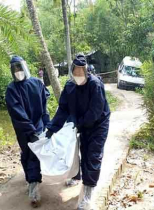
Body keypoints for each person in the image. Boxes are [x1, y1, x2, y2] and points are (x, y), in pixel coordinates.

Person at [45, 54, 110, 210]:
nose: (79, 76)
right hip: (82, 124)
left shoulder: (95, 85)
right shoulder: (69, 87)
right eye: (76, 73)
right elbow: (63, 110)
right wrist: (52, 128)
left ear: (86, 71)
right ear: (72, 72)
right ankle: (78, 177)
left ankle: (88, 194)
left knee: (93, 155)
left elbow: (95, 111)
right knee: (81, 150)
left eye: (82, 73)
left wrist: (78, 124)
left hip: (98, 124)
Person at [5, 56, 50, 208]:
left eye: (19, 67)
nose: (18, 71)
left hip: (38, 125)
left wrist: (47, 123)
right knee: (27, 153)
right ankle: (31, 181)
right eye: (15, 69)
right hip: (23, 129)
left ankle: (33, 185)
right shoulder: (12, 89)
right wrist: (30, 131)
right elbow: (17, 113)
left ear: (25, 67)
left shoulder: (37, 83)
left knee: (33, 155)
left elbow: (44, 105)